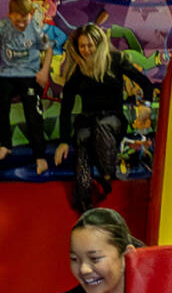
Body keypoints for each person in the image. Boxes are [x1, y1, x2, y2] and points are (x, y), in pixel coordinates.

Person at [38, 23, 154, 214]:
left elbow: (146, 84)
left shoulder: (115, 60)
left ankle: (107, 175)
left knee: (101, 125)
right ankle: (83, 202)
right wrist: (64, 141)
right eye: (82, 46)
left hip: (112, 120)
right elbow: (66, 106)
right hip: (88, 121)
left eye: (90, 45)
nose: (86, 50)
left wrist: (146, 107)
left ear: (99, 44)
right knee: (82, 141)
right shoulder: (79, 70)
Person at [0, 0, 64, 155]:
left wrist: (44, 71)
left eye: (24, 20)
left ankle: (39, 153)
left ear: (31, 15)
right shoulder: (3, 26)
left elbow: (49, 49)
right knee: (0, 102)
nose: (21, 25)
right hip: (8, 75)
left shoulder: (35, 29)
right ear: (10, 15)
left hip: (29, 76)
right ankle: (5, 144)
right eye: (17, 21)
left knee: (32, 112)